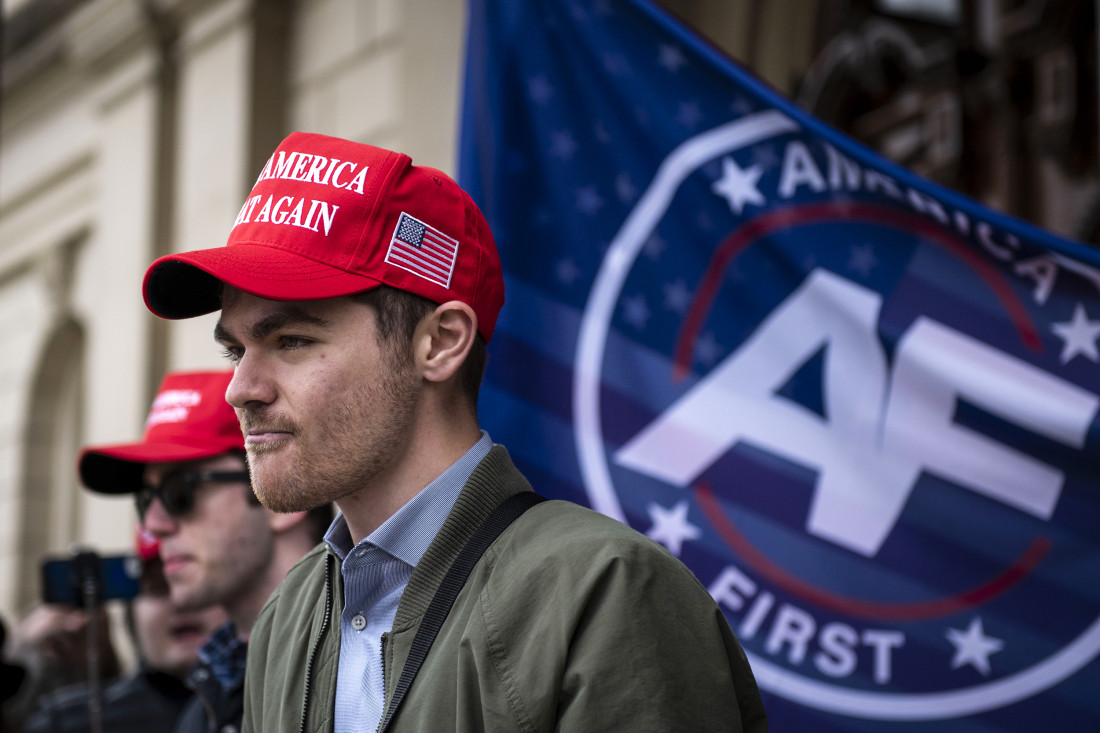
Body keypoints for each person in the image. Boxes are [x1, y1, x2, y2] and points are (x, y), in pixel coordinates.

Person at [140, 132, 768, 732]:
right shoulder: (288, 614)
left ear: (440, 343)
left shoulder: (608, 593)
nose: (240, 389)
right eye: (236, 351)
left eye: (292, 340)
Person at [78, 370, 333, 733]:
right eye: (146, 499)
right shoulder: (206, 701)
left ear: (280, 496)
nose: (153, 524)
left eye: (179, 492)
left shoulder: (363, 666)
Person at [22, 529, 226, 733]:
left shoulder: (246, 709)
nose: (179, 602)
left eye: (198, 583)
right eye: (157, 586)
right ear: (131, 612)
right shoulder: (66, 723)